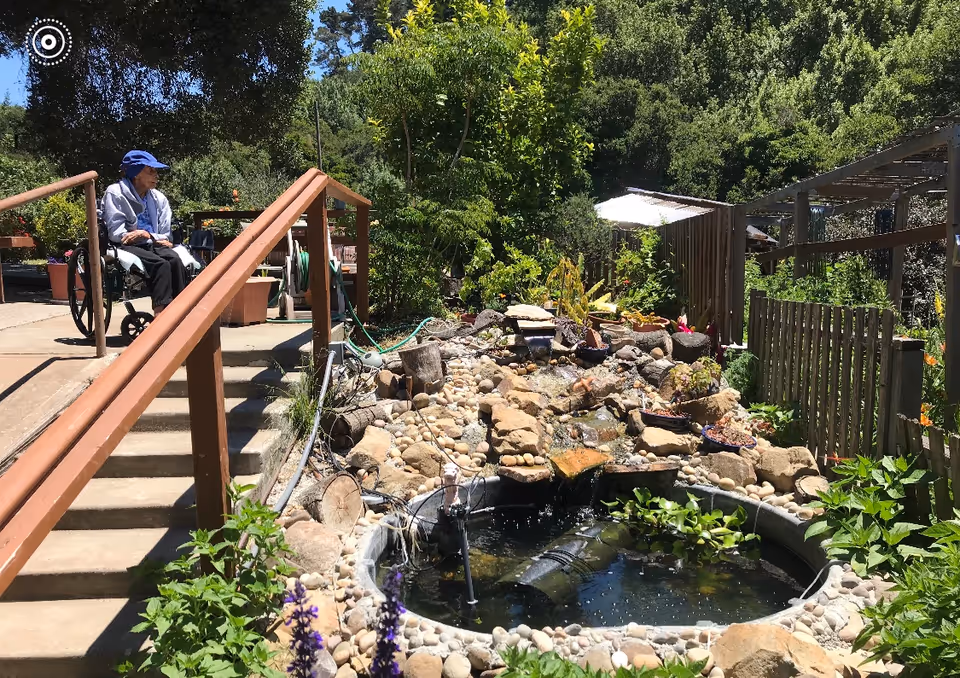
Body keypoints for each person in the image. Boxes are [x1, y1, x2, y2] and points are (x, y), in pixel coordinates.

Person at [100, 150, 187, 315]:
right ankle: (160, 316)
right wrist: (140, 235)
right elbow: (117, 234)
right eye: (151, 171)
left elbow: (164, 233)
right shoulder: (115, 193)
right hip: (125, 244)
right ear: (136, 173)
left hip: (151, 242)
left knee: (175, 260)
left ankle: (180, 311)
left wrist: (149, 235)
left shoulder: (158, 198)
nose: (156, 175)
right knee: (160, 264)